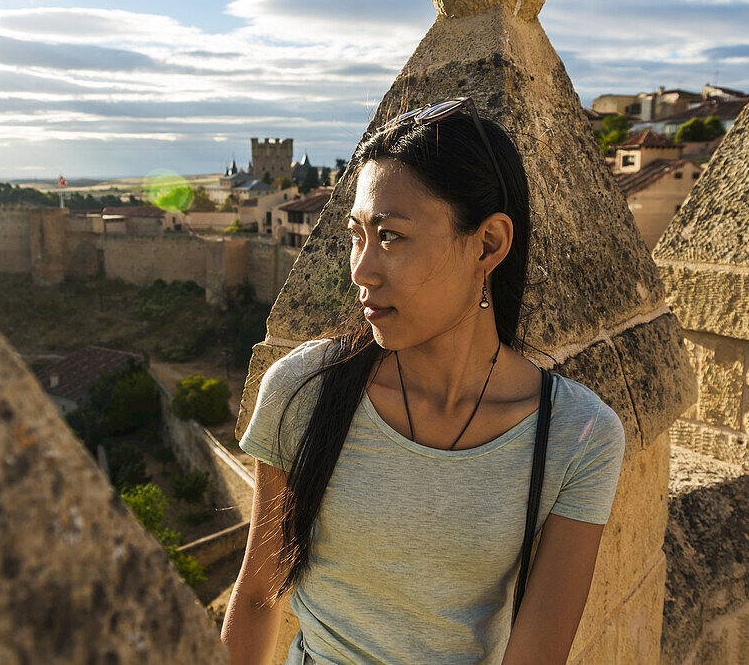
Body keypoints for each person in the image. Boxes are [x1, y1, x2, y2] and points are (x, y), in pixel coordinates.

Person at [220, 98, 626, 665]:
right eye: (356, 235)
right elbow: (260, 596)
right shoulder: (303, 388)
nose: (360, 269)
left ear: (488, 244)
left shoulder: (576, 435)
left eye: (390, 237)